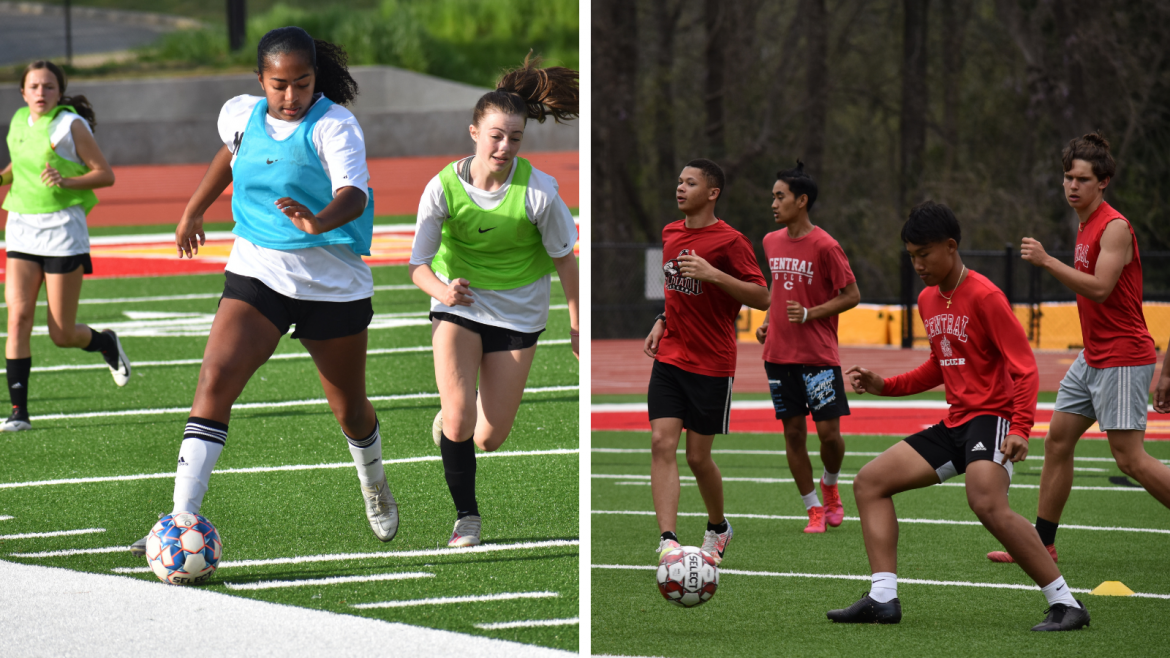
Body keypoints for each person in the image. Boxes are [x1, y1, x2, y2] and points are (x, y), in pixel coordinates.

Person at [130, 27, 396, 555]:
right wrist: (193, 209)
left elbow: (354, 194)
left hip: (330, 285)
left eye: (301, 83)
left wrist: (318, 222)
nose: (291, 96)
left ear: (315, 78)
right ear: (260, 80)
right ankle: (181, 518)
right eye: (279, 85)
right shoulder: (240, 114)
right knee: (214, 379)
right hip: (259, 272)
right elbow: (228, 156)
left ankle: (374, 482)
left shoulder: (337, 125)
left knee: (350, 409)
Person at [829, 202, 1089, 631]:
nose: (917, 264)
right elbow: (939, 364)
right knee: (870, 482)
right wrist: (885, 385)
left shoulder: (986, 296)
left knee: (985, 500)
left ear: (951, 247)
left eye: (924, 254)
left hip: (993, 417)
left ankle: (1066, 603)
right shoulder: (928, 299)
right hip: (956, 423)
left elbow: (1023, 367)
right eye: (911, 255)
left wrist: (1022, 428)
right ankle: (882, 598)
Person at [409, 55, 579, 548]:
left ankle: (455, 419)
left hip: (519, 313)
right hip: (457, 305)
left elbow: (567, 262)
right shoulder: (441, 187)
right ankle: (467, 518)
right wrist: (444, 291)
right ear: (474, 133)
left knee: (488, 437)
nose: (505, 146)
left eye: (515, 138)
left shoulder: (540, 193)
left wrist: (575, 327)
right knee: (461, 420)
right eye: (496, 136)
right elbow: (418, 264)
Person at [988, 133, 1170, 563]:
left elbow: (1102, 289)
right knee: (1056, 442)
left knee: (1130, 459)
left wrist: (1048, 261)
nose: (1072, 186)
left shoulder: (1115, 227)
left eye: (1082, 179)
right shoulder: (1085, 223)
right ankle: (1042, 544)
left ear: (1103, 181)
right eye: (1068, 177)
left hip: (1123, 356)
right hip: (1094, 357)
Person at [644, 158, 770, 565]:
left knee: (698, 457)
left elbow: (762, 297)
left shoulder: (731, 242)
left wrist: (714, 274)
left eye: (690, 183)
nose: (680, 188)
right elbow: (674, 291)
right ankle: (668, 540)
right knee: (662, 442)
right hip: (670, 356)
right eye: (679, 181)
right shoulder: (669, 232)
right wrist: (663, 319)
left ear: (712, 193)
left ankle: (718, 527)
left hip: (712, 363)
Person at [0, 60, 130, 432]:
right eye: (34, 87)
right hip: (22, 227)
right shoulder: (18, 121)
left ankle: (105, 342)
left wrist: (66, 181)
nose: (41, 93)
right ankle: (18, 412)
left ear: (60, 92)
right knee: (18, 317)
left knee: (61, 334)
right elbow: (17, 167)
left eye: (49, 87)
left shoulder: (70, 125)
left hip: (62, 232)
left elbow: (105, 175)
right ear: (23, 92)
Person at [754, 161, 859, 533]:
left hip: (817, 357)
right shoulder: (770, 241)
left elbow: (852, 294)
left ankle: (830, 484)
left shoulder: (826, 245)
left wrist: (811, 313)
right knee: (793, 434)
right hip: (778, 357)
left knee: (829, 435)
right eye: (773, 197)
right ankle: (813, 507)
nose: (774, 203)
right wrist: (768, 322)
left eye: (780, 196)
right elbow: (778, 289)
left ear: (802, 201)